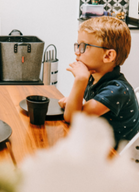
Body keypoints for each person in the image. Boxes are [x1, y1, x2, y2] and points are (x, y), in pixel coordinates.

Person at [59, 16, 139, 148]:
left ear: (108, 56)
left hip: (113, 158)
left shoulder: (117, 90)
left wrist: (80, 79)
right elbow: (79, 111)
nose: (77, 52)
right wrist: (73, 101)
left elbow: (73, 119)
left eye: (84, 46)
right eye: (78, 45)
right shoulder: (94, 77)